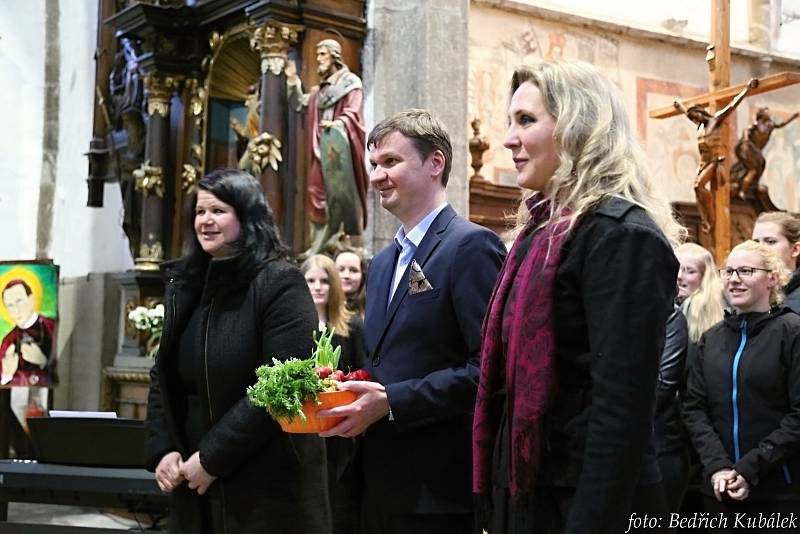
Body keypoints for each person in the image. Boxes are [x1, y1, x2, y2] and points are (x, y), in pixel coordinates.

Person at [472, 61, 684, 534]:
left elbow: (621, 410)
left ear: (576, 127)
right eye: (511, 121)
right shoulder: (538, 233)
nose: (508, 138)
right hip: (531, 492)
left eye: (526, 120)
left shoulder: (620, 236)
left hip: (588, 502)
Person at [318, 109, 506, 534]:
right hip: (376, 484)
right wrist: (340, 391)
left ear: (434, 163)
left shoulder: (470, 246)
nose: (377, 175)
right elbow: (388, 361)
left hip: (438, 491)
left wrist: (393, 401)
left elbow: (490, 371)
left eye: (390, 162)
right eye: (373, 165)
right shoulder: (382, 263)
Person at [144, 169, 330, 534]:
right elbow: (162, 374)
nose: (206, 221)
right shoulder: (187, 286)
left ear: (246, 215)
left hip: (267, 491)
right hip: (194, 482)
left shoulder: (279, 282)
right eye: (200, 212)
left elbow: (285, 383)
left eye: (218, 211)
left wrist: (213, 458)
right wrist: (162, 448)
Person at [683, 240, 800, 531]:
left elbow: (798, 416)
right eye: (729, 271)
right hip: (718, 487)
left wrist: (749, 469)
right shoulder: (711, 339)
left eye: (746, 271)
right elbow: (694, 409)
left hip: (778, 489)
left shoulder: (792, 333)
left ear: (772, 278)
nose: (734, 280)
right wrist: (718, 466)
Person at [301, 253, 366, 534]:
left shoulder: (352, 326)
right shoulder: (293, 327)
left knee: (338, 503)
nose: (317, 286)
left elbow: (362, 371)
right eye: (311, 280)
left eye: (325, 281)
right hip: (302, 429)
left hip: (340, 430)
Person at [287, 38, 369, 252]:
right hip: (320, 149)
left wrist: (340, 123)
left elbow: (354, 110)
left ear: (334, 55)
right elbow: (300, 103)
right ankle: (318, 243)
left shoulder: (351, 82)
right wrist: (293, 79)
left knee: (340, 193)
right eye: (318, 55)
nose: (319, 59)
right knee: (316, 193)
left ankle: (341, 239)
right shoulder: (319, 91)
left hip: (340, 150)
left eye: (322, 54)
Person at [674, 78, 758, 232]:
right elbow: (688, 112)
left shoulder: (715, 121)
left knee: (698, 186)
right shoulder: (700, 126)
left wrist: (747, 89)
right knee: (697, 191)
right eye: (692, 118)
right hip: (703, 162)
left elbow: (732, 105)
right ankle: (706, 218)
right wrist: (680, 107)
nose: (694, 119)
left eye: (695, 116)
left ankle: (710, 217)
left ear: (700, 113)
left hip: (714, 161)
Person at [731, 108, 799, 199]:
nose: (769, 114)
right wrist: (746, 138)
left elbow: (781, 125)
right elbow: (746, 130)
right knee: (753, 169)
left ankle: (750, 186)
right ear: (761, 115)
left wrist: (793, 117)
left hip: (755, 151)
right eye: (766, 113)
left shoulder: (770, 125)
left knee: (760, 166)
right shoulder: (756, 124)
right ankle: (743, 190)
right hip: (748, 149)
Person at [0, 279, 56, 387]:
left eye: (19, 301)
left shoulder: (51, 326)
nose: (16, 310)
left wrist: (43, 362)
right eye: (10, 305)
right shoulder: (8, 340)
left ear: (31, 299)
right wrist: (6, 375)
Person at [752, 211, 800, 313]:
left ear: (795, 249)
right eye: (755, 242)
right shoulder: (744, 293)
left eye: (770, 241)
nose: (760, 248)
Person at [335, 247, 368, 318]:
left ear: (363, 275)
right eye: (341, 269)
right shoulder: (323, 307)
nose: (346, 275)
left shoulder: (371, 309)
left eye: (353, 270)